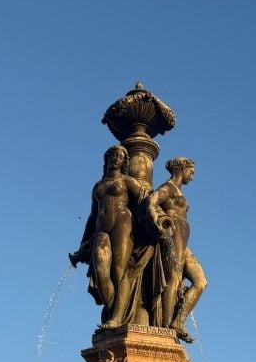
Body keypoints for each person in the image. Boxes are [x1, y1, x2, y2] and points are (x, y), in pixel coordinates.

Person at [70, 144, 147, 327]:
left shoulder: (128, 181)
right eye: (113, 155)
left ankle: (117, 318)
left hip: (122, 224)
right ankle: (115, 308)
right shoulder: (98, 185)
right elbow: (92, 216)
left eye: (120, 156)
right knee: (101, 271)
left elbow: (145, 202)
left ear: (124, 161)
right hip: (100, 229)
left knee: (119, 272)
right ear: (106, 159)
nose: (116, 159)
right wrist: (83, 245)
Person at [143, 157, 207, 342]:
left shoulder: (178, 191)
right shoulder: (169, 187)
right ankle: (164, 326)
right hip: (173, 235)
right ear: (181, 169)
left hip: (183, 240)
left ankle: (178, 321)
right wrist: (158, 223)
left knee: (200, 281)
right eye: (191, 172)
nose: (192, 177)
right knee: (174, 277)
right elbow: (151, 201)